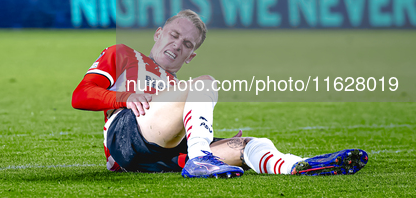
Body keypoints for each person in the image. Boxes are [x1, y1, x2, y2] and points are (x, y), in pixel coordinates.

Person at [72, 9, 368, 177]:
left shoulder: (178, 90)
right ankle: (200, 158)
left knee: (249, 143)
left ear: (190, 57)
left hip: (164, 157)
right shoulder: (122, 54)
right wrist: (122, 98)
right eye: (174, 35)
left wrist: (196, 134)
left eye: (188, 45)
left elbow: (175, 117)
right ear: (158, 33)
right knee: (205, 83)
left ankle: (298, 165)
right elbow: (81, 95)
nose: (178, 45)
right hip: (128, 136)